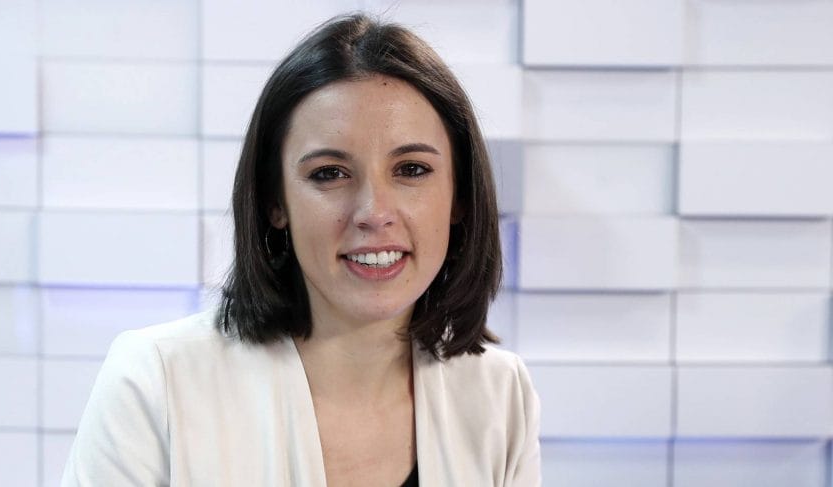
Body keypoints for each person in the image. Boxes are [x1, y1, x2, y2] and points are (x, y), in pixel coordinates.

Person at [62, 13, 540, 487]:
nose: (374, 212)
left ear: (459, 196)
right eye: (329, 173)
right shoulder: (155, 383)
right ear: (276, 202)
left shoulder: (501, 397)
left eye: (411, 169)